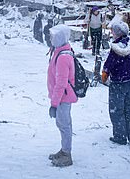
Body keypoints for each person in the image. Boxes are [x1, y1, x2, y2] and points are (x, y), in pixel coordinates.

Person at [102, 21, 130, 146]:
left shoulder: (116, 48)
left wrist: (105, 73)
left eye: (113, 31)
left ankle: (120, 137)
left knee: (116, 110)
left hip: (118, 83)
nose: (111, 33)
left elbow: (109, 64)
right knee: (128, 110)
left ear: (118, 33)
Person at [47, 24, 78, 167]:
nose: (51, 38)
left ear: (60, 38)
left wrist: (54, 104)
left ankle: (67, 155)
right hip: (61, 96)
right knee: (62, 123)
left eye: (54, 36)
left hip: (62, 97)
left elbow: (61, 83)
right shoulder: (59, 50)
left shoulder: (63, 57)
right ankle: (64, 150)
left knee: (64, 124)